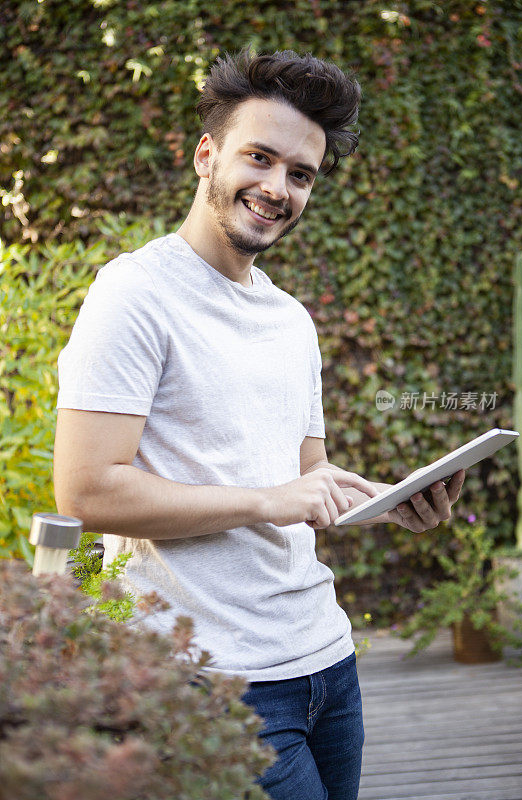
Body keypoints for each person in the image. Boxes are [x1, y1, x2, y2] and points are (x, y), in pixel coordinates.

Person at [54, 48, 465, 800]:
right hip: (212, 677)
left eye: (300, 174)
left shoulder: (288, 319)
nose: (277, 189)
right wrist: (264, 500)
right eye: (260, 158)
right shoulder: (133, 295)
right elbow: (87, 492)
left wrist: (389, 500)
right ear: (206, 155)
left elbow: (305, 481)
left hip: (325, 661)